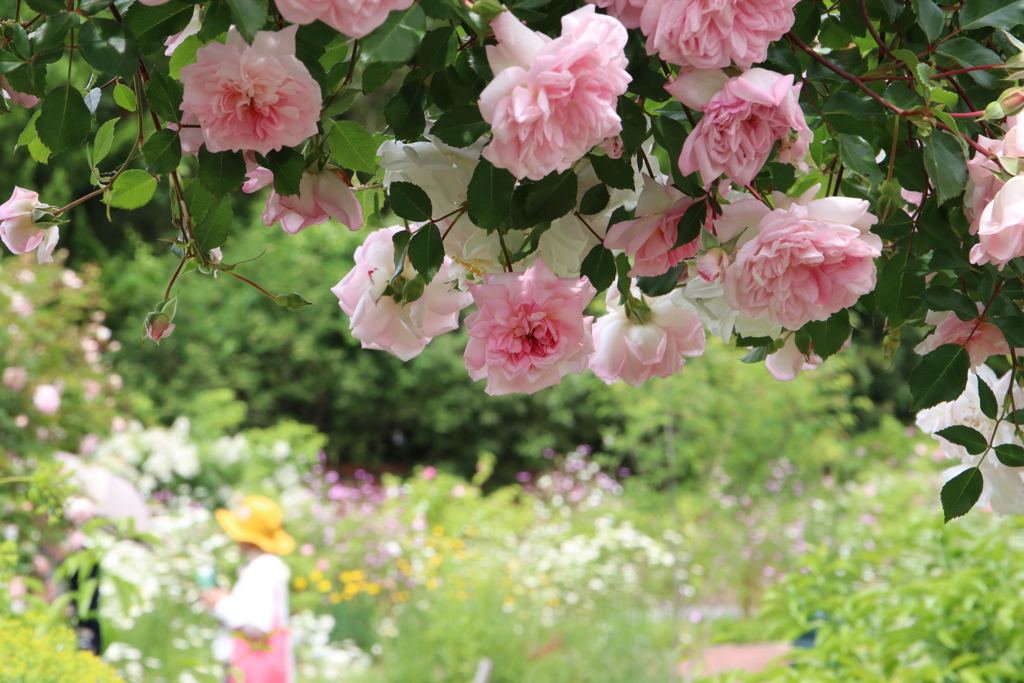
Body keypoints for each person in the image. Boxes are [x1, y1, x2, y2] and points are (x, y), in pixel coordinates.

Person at [201, 495, 296, 683]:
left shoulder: (263, 568)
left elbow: (260, 624)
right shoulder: (267, 566)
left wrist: (221, 604)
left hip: (253, 669)